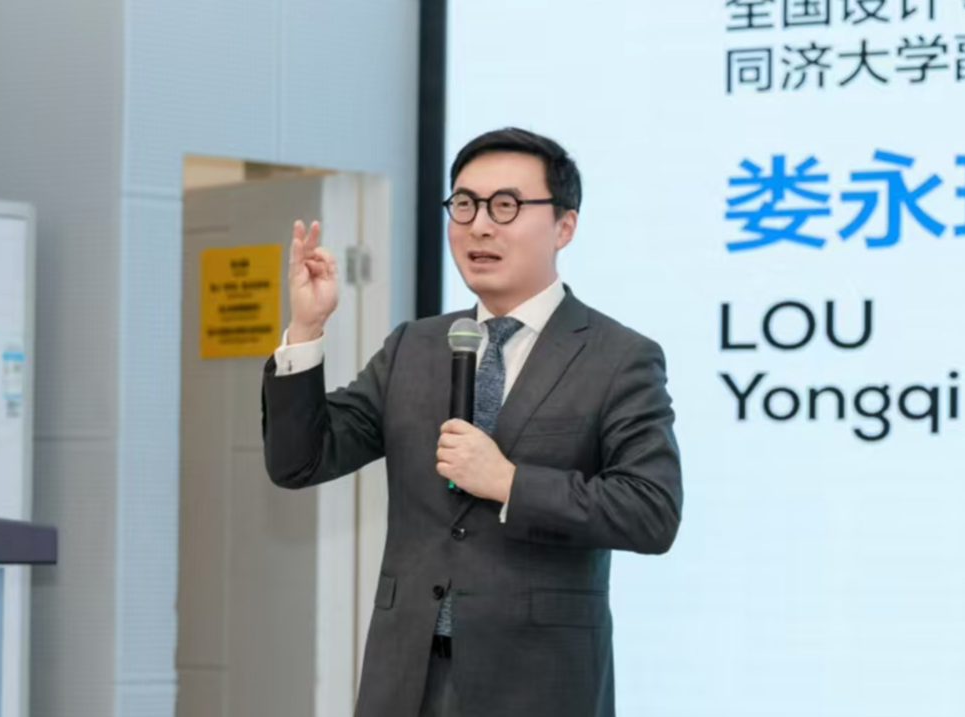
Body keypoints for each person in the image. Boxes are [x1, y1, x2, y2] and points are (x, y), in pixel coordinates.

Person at [261, 127, 683, 717]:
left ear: (564, 226)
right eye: (464, 204)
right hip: (405, 679)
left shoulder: (617, 357)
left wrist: (510, 482)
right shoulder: (414, 346)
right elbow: (300, 461)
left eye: (506, 206)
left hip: (538, 684)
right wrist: (306, 330)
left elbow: (651, 512)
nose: (480, 225)